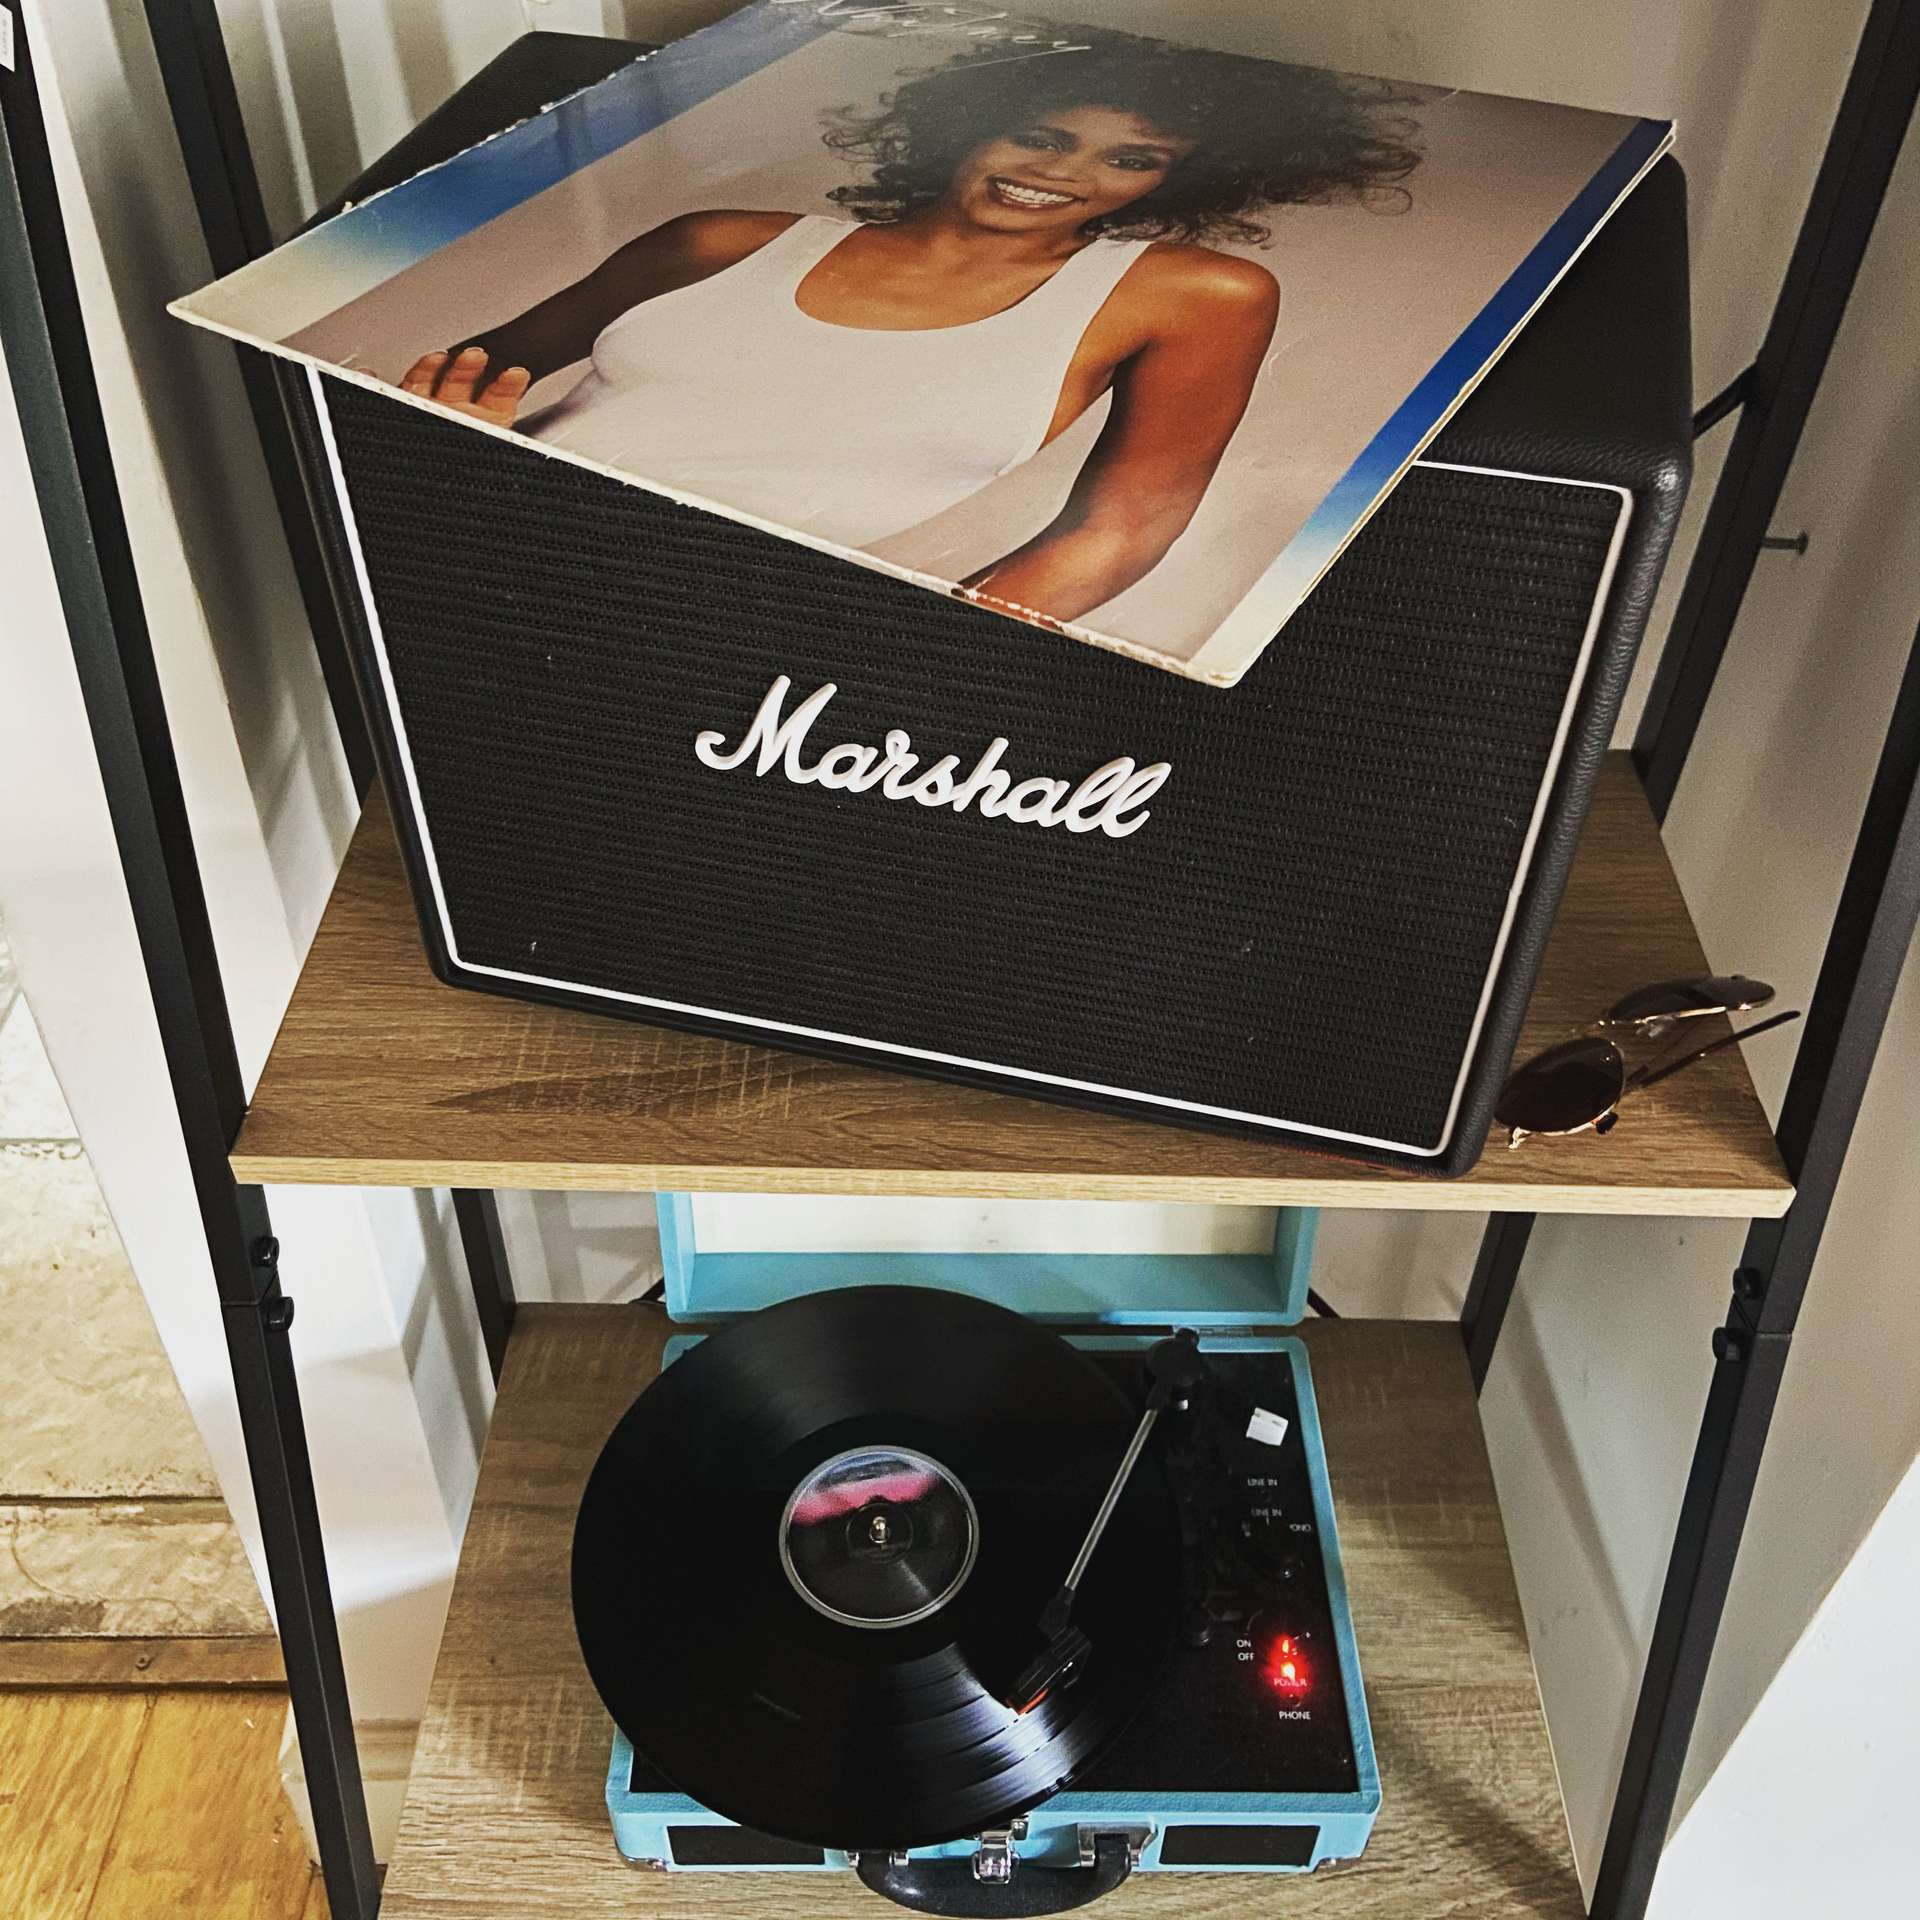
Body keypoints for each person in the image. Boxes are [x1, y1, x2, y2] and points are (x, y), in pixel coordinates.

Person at [398, 33, 1417, 627]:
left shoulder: (1196, 294)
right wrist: (451, 453)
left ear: (1182, 180)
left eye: (1131, 159)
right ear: (965, 122)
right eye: (1039, 134)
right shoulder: (721, 240)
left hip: (751, 626)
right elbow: (471, 377)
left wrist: (926, 652)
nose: (1061, 174)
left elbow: (1123, 529)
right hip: (499, 561)